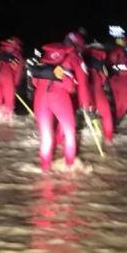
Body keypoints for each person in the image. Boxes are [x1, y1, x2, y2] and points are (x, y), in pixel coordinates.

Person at [30, 31, 92, 171]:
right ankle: (69, 168)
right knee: (70, 133)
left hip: (40, 97)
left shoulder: (47, 55)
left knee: (46, 137)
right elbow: (82, 84)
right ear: (79, 45)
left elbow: (34, 81)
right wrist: (86, 106)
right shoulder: (76, 58)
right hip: (60, 96)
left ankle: (45, 170)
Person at [84, 42, 115, 143]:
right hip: (97, 90)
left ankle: (59, 140)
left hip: (82, 91)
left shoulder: (81, 59)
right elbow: (104, 79)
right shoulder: (101, 64)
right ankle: (108, 139)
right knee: (106, 114)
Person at [0, 37, 24, 120]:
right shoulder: (17, 55)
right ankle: (7, 119)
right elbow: (18, 71)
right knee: (9, 101)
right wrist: (15, 84)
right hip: (7, 77)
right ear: (17, 45)